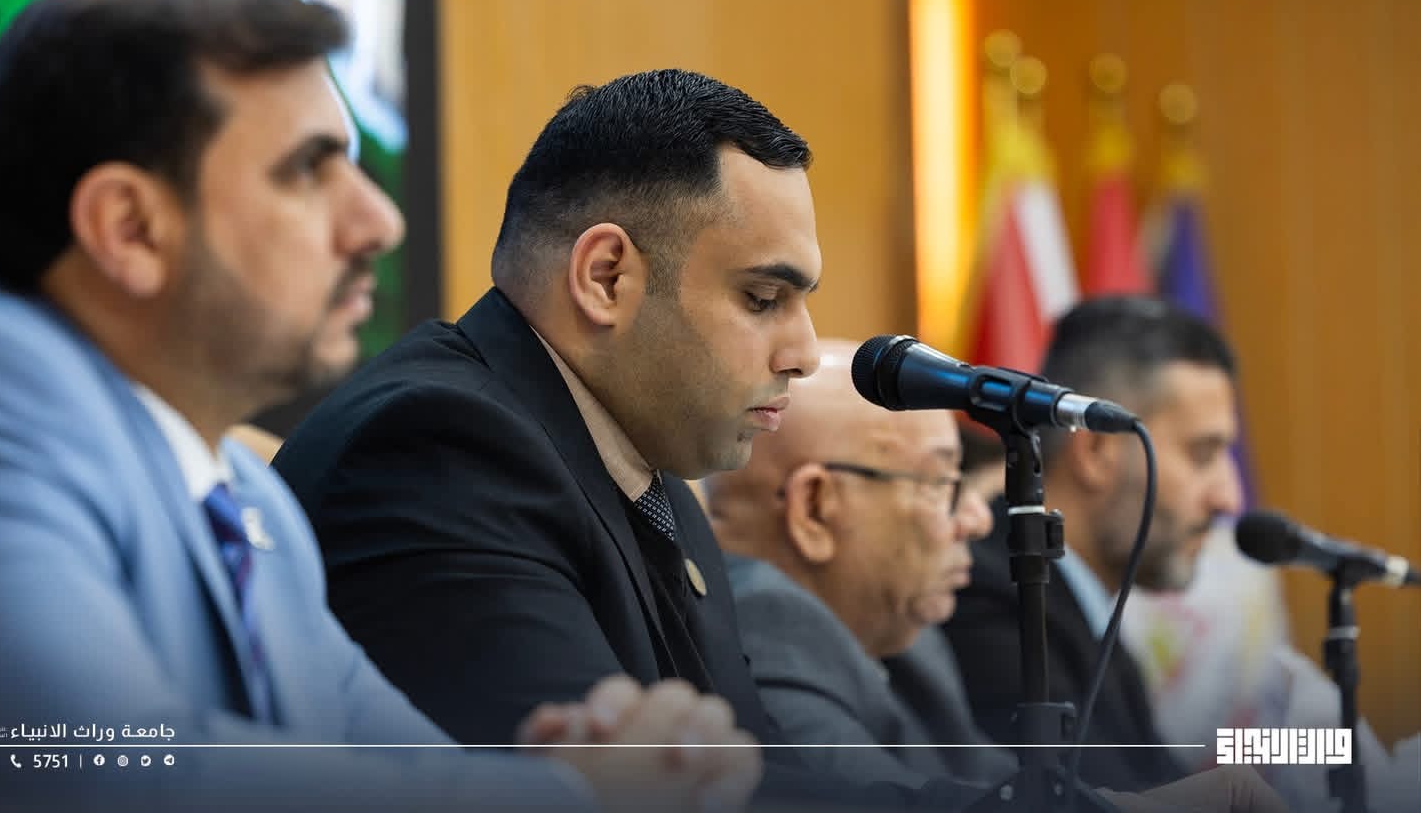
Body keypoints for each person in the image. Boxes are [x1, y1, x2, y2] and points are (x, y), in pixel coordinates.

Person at [276, 71, 1284, 813]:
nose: (804, 352)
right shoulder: (439, 450)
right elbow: (626, 794)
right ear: (607, 278)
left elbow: (766, 781)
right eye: (764, 298)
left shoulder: (656, 489)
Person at [0, 0, 760, 812]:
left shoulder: (250, 505)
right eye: (308, 171)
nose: (378, 222)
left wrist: (598, 775)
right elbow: (76, 763)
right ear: (130, 229)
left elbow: (408, 769)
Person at [942, 294, 1244, 793]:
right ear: (1098, 450)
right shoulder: (991, 596)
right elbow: (1094, 802)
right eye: (1201, 454)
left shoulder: (1082, 600)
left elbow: (1158, 782)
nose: (1229, 498)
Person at [703, 339, 1015, 788]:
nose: (978, 520)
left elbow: (999, 783)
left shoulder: (902, 633)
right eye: (939, 482)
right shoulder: (763, 628)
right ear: (815, 508)